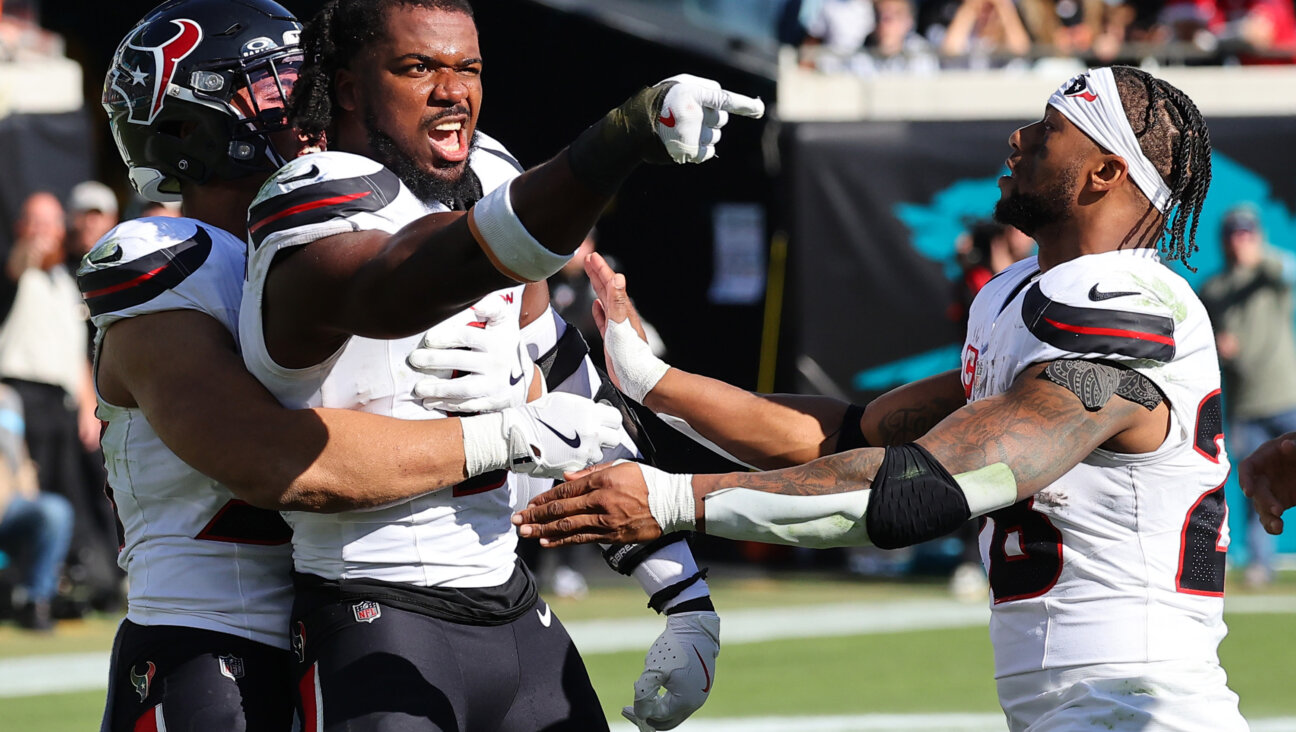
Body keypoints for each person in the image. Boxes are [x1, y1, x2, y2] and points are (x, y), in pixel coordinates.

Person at [517, 66, 1250, 732]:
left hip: (1138, 705)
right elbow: (846, 437)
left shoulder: (1122, 309)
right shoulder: (1019, 300)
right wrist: (648, 379)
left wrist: (674, 500)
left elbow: (919, 489)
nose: (1019, 137)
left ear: (1105, 173)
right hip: (1075, 708)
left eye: (1051, 130)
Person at [89, 1, 626, 730]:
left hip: (349, 623)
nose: (307, 92)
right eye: (277, 79)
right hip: (212, 652)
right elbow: (279, 463)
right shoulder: (165, 268)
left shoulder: (344, 224)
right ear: (188, 123)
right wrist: (509, 433)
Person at [240, 1, 761, 730]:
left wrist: (682, 596)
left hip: (514, 606)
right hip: (373, 606)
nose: (452, 90)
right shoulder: (312, 196)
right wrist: (617, 141)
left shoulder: (491, 168)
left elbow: (568, 388)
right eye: (418, 67)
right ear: (350, 87)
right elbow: (400, 283)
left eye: (469, 67)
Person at [0, 191, 116, 616]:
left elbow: (75, 354)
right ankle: (17, 588)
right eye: (36, 221)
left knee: (66, 499)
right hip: (16, 396)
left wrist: (88, 402)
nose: (45, 230)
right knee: (20, 495)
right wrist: (27, 251)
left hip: (61, 403)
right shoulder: (15, 272)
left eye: (51, 222)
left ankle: (57, 586)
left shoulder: (68, 281)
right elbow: (16, 268)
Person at [1200, 204, 1296, 587]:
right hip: (1244, 405)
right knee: (1257, 486)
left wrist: (1262, 255)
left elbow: (1290, 270)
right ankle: (1260, 564)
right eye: (1234, 234)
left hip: (1286, 396)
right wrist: (1217, 343)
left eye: (1247, 233)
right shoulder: (1212, 289)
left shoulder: (1270, 274)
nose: (1240, 242)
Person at [0, 382, 73, 631]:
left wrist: (25, 477)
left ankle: (33, 602)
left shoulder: (8, 399)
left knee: (54, 511)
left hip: (10, 503)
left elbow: (16, 450)